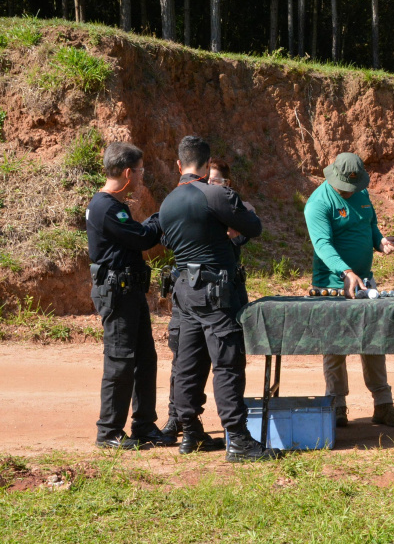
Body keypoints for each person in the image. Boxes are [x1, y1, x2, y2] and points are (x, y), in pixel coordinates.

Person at [159, 136, 278, 462]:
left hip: (185, 290)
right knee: (227, 363)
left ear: (180, 165)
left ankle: (191, 433)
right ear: (207, 163)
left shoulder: (168, 202)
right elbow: (253, 227)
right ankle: (237, 441)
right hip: (215, 292)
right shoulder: (216, 195)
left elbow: (169, 240)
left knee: (188, 362)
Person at [304, 152, 394, 429]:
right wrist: (346, 272)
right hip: (332, 286)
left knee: (374, 343)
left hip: (365, 284)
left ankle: (383, 404)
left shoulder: (361, 194)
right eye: (345, 187)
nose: (350, 192)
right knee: (335, 346)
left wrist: (380, 242)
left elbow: (369, 224)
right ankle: (336, 405)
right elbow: (323, 245)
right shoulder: (318, 203)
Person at [87, 142, 173, 449]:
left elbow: (136, 235)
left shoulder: (113, 205)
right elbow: (142, 238)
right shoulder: (106, 207)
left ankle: (144, 426)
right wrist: (162, 216)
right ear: (127, 172)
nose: (141, 176)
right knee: (120, 361)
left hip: (129, 290)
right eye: (139, 171)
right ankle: (109, 431)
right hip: (117, 293)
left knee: (144, 360)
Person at [161, 158, 249, 441]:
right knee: (188, 360)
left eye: (216, 183)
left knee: (218, 359)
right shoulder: (188, 205)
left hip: (216, 290)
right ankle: (182, 421)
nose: (209, 187)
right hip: (193, 290)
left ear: (227, 185)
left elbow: (247, 225)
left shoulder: (231, 206)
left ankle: (192, 429)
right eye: (206, 182)